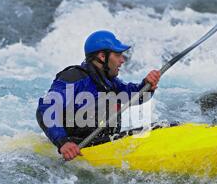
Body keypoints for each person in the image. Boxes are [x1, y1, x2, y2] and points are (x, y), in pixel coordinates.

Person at [36, 30, 161, 161]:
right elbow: (45, 110)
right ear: (102, 56)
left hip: (103, 142)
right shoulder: (73, 77)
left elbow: (133, 97)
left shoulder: (108, 82)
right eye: (118, 55)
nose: (122, 60)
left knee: (158, 127)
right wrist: (62, 142)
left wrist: (147, 85)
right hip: (77, 147)